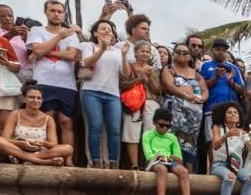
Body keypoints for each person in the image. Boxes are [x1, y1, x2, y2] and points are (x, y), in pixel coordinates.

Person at [26, 0, 80, 158]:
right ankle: (46, 156)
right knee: (46, 118)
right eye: (52, 11)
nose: (56, 14)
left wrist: (43, 51)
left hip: (67, 85)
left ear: (63, 13)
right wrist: (59, 37)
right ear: (46, 12)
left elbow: (71, 55)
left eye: (59, 11)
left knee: (66, 122)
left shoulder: (72, 34)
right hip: (43, 82)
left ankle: (67, 159)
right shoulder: (37, 30)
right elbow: (36, 48)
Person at [78, 19, 130, 168]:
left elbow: (125, 74)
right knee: (95, 126)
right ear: (95, 33)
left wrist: (125, 56)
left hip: (113, 94)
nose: (107, 31)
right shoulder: (89, 46)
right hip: (91, 91)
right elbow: (86, 63)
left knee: (114, 129)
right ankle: (95, 161)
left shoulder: (118, 51)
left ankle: (114, 163)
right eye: (103, 28)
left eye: (110, 29)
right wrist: (102, 48)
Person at [0, 80, 74, 165]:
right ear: (24, 99)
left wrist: (41, 143)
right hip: (17, 150)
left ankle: (30, 159)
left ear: (42, 100)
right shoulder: (15, 114)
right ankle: (38, 161)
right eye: (31, 97)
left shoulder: (48, 119)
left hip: (40, 152)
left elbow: (53, 144)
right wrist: (21, 144)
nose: (36, 100)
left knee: (68, 148)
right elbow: (5, 139)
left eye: (39, 98)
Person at [160, 42, 207, 170]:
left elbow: (205, 90)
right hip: (175, 111)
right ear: (173, 54)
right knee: (173, 137)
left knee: (190, 142)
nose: (182, 54)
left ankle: (189, 170)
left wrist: (202, 98)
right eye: (178, 51)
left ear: (190, 56)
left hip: (194, 114)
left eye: (185, 52)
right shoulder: (169, 69)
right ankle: (172, 167)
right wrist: (185, 95)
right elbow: (170, 86)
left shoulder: (196, 74)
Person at [121, 40, 163, 169]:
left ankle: (149, 162)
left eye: (147, 51)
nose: (145, 54)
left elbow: (157, 90)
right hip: (134, 102)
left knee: (150, 132)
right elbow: (123, 85)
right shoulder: (130, 66)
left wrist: (150, 78)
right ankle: (134, 164)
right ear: (135, 53)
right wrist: (140, 79)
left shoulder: (153, 70)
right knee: (131, 132)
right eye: (142, 51)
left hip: (150, 101)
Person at [210, 102, 251, 195]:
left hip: (236, 166)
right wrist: (227, 135)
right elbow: (215, 146)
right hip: (219, 164)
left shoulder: (243, 133)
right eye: (229, 112)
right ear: (224, 116)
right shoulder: (218, 128)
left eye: (235, 112)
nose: (233, 114)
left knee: (250, 178)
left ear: (239, 117)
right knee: (230, 177)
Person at [142, 108, 192, 195]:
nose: (165, 128)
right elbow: (148, 156)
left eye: (168, 126)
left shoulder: (172, 137)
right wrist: (161, 157)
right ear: (154, 123)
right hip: (154, 161)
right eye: (161, 125)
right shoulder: (147, 135)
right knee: (162, 169)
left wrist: (170, 158)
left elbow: (179, 158)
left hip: (170, 161)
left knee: (184, 171)